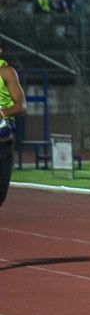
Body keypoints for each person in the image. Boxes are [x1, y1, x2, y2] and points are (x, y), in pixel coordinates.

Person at [0, 40, 28, 207]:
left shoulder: (7, 72)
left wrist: (3, 113)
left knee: (1, 191)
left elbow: (22, 106)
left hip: (3, 139)